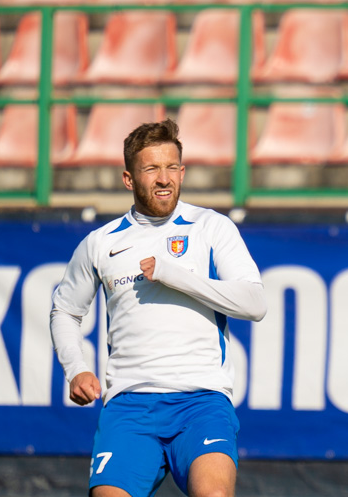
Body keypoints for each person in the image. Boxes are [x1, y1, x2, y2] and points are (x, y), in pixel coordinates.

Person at [50, 119, 267, 497]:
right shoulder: (100, 243)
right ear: (129, 179)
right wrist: (76, 368)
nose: (164, 178)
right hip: (130, 406)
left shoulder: (211, 228)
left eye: (171, 168)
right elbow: (65, 311)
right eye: (151, 169)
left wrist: (173, 274)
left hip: (201, 400)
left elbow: (254, 303)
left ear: (182, 172)